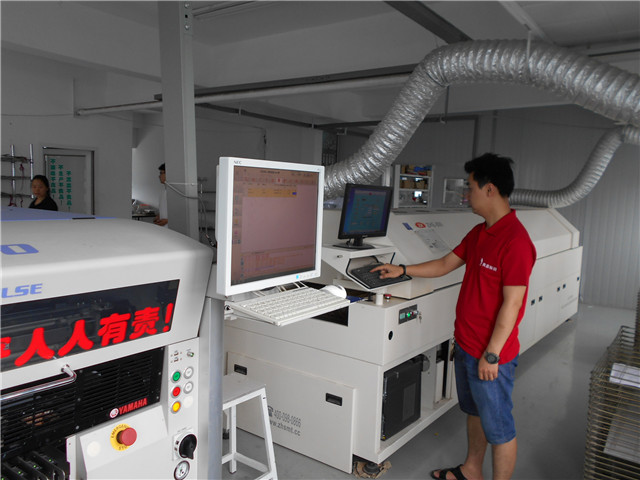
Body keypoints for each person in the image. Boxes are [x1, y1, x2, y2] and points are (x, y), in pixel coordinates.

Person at [372, 153, 536, 480]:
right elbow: (445, 264)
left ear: (489, 189)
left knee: (500, 428)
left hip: (491, 355)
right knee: (474, 412)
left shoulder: (516, 241)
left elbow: (513, 304)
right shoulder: (480, 233)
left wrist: (492, 354)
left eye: (470, 187)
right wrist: (402, 269)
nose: (466, 195)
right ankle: (471, 469)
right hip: (466, 345)